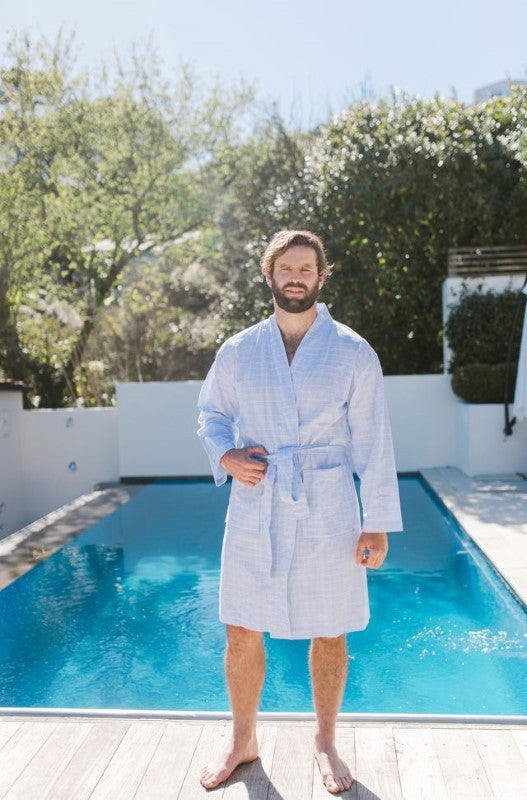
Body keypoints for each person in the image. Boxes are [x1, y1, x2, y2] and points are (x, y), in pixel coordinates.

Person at [197, 229, 403, 794]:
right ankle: (242, 740)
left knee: (330, 629)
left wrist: (377, 521)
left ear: (320, 276)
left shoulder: (353, 351)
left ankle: (325, 741)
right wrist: (226, 453)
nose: (296, 276)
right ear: (270, 275)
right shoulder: (238, 351)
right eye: (286, 267)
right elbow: (212, 413)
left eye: (306, 268)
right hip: (258, 496)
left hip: (329, 503)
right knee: (241, 627)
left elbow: (375, 441)